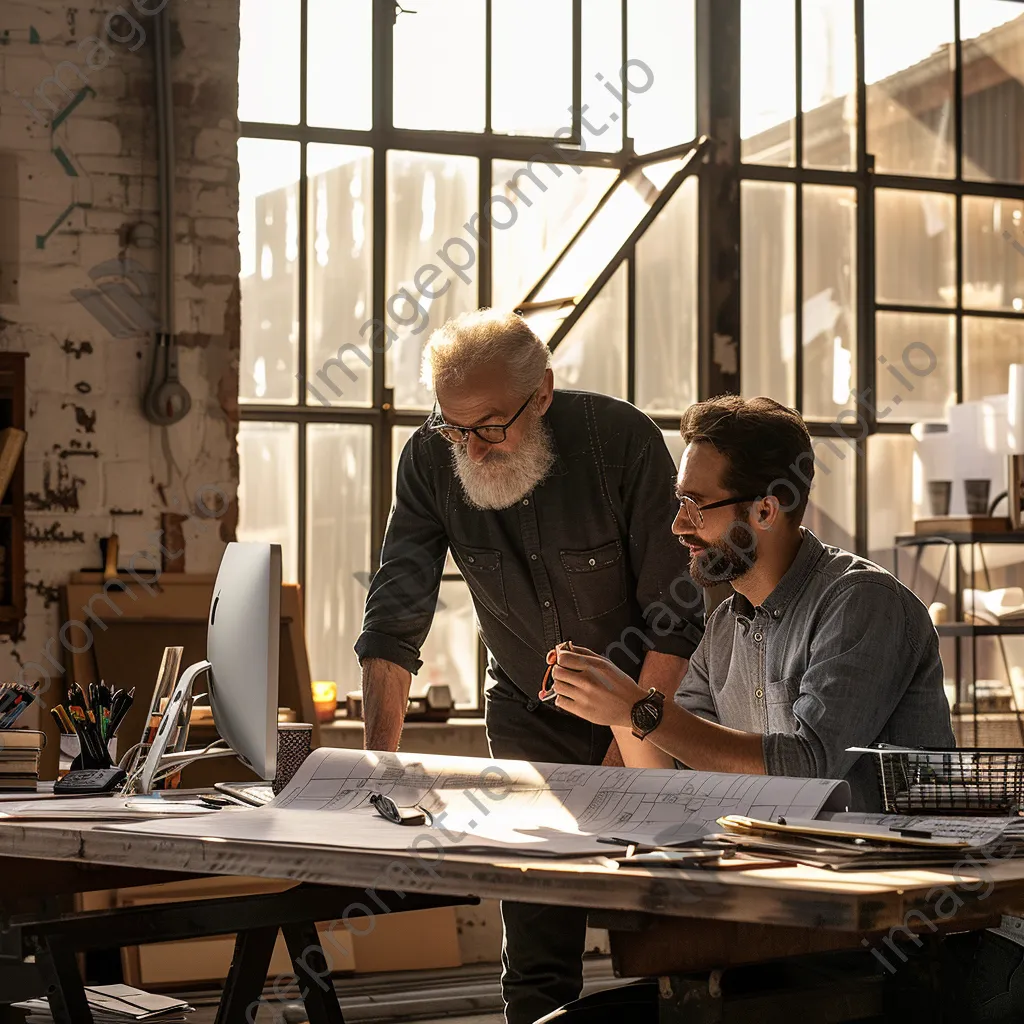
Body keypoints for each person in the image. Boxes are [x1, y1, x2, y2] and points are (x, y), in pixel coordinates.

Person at [535, 394, 957, 1022]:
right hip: (771, 929)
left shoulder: (860, 604)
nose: (677, 525)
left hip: (882, 946)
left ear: (766, 508)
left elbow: (811, 768)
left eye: (694, 506)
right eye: (678, 504)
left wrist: (644, 710)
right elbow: (675, 778)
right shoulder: (726, 624)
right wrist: (617, 709)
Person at [354, 310, 703, 1024]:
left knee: (666, 920)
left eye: (489, 426)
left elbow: (675, 616)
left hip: (648, 702)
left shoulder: (620, 443)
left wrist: (622, 754)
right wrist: (374, 773)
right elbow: (395, 617)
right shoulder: (430, 459)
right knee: (540, 931)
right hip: (526, 706)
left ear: (541, 392)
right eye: (453, 427)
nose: (471, 448)